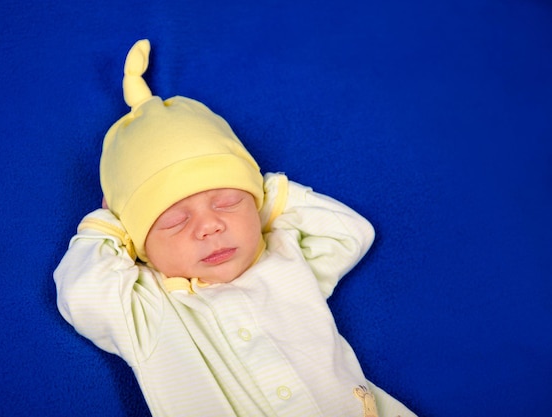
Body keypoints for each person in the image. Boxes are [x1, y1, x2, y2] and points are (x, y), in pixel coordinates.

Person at [54, 39, 416, 417]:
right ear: (139, 244)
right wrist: (108, 228)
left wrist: (268, 197)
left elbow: (350, 232)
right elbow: (82, 295)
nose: (210, 225)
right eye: (175, 221)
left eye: (228, 202)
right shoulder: (149, 308)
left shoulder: (284, 258)